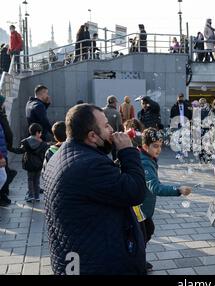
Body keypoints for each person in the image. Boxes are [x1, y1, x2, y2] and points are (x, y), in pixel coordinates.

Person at [43, 104, 148, 275]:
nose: (112, 130)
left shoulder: (65, 155)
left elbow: (100, 187)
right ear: (92, 136)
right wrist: (128, 152)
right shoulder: (89, 164)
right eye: (106, 125)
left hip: (77, 257)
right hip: (96, 264)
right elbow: (135, 191)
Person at [138, 128, 192, 271]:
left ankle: (137, 260)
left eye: (160, 145)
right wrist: (178, 190)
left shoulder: (148, 158)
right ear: (145, 146)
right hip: (139, 209)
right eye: (155, 146)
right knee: (142, 235)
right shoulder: (145, 162)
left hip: (143, 209)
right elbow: (155, 187)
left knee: (146, 232)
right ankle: (136, 263)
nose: (159, 149)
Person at [15, 123, 49, 202]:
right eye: (40, 132)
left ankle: (31, 195)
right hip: (39, 165)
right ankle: (37, 196)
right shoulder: (43, 144)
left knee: (30, 179)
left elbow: (20, 150)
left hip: (29, 164)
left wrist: (10, 148)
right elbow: (45, 154)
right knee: (36, 180)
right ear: (37, 133)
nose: (41, 134)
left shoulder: (25, 142)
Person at [0, 94, 17, 206]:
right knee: (3, 176)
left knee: (4, 176)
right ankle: (2, 197)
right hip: (1, 152)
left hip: (2, 149)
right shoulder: (1, 115)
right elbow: (8, 132)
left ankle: (3, 196)